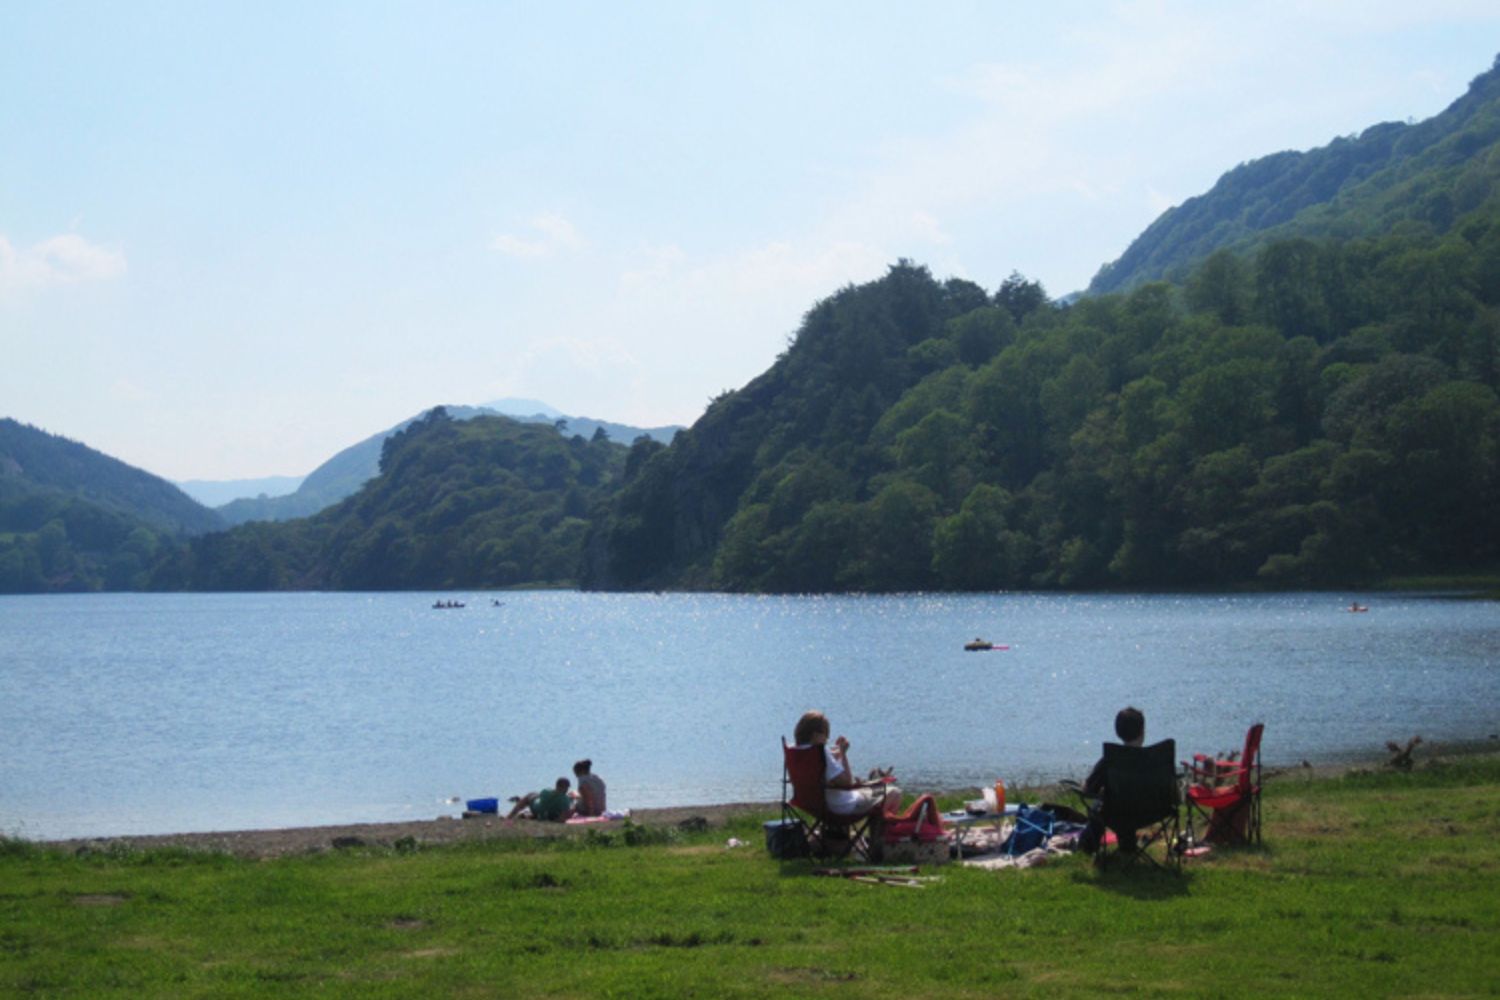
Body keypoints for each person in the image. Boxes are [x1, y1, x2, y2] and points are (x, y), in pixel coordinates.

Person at [1078, 706, 1146, 855]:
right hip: (1152, 810)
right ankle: (1127, 845)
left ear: (1118, 733)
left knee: (1098, 805)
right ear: (1142, 731)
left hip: (1117, 811)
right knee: (1123, 804)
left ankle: (1088, 846)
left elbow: (1089, 790)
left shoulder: (1110, 760)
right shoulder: (1154, 758)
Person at [506, 777, 575, 822]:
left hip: (537, 809)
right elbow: (563, 816)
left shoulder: (546, 791)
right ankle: (526, 814)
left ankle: (510, 816)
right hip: (550, 814)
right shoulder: (565, 799)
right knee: (533, 796)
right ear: (566, 788)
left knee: (530, 795)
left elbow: (541, 797)